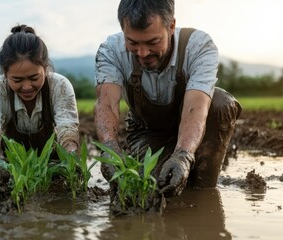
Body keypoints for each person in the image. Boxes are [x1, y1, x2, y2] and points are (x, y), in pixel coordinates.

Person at [94, 0, 242, 199]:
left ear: (171, 26)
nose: (143, 53)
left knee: (221, 103)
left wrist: (183, 155)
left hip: (195, 124)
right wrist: (110, 150)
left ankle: (205, 192)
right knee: (155, 189)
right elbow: (107, 103)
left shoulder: (198, 46)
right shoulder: (111, 51)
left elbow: (197, 107)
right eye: (133, 43)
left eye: (153, 42)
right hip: (147, 130)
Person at [0, 24, 79, 196]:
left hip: (53, 168)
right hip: (15, 170)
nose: (26, 87)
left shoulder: (59, 85)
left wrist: (71, 160)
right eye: (17, 80)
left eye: (34, 78)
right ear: (5, 73)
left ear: (45, 68)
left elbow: (67, 129)